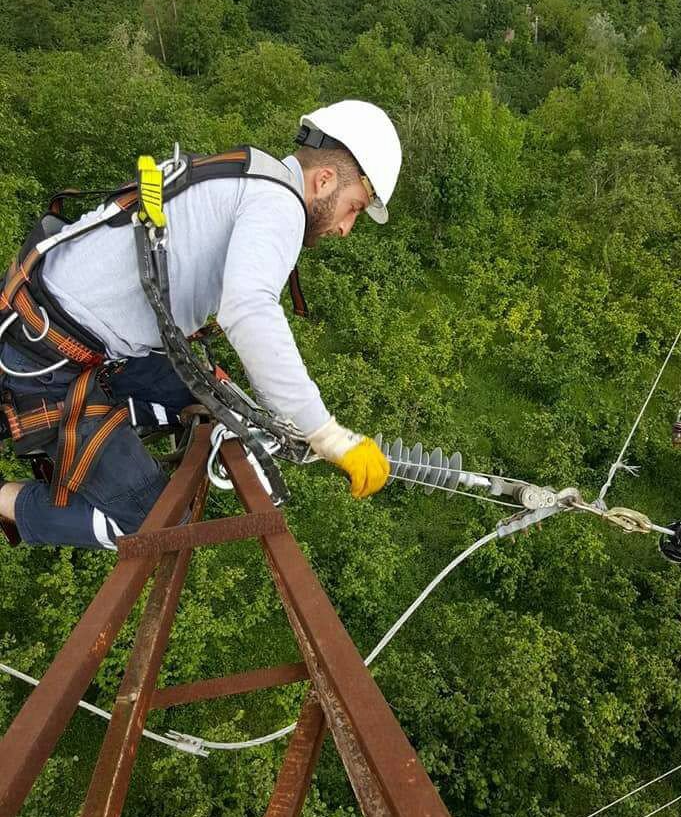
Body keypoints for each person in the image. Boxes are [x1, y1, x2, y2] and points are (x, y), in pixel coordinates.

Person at [0, 100, 401, 549]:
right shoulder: (280, 204)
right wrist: (325, 432)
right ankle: (7, 501)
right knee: (153, 522)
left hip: (46, 321)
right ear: (324, 180)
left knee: (210, 390)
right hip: (48, 358)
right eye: (354, 208)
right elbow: (248, 309)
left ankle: (122, 420)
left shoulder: (249, 174)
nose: (347, 228)